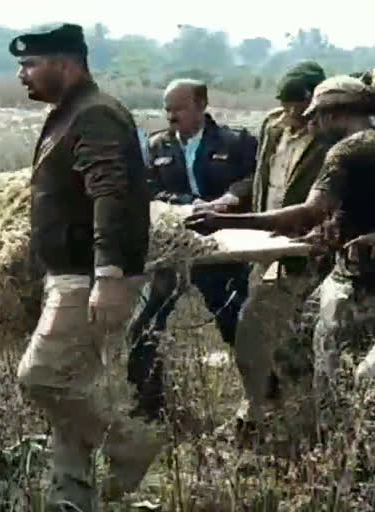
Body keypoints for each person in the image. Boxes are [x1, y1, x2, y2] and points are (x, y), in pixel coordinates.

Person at [9, 23, 161, 510]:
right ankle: (71, 498)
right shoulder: (69, 113)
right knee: (70, 387)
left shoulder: (96, 115)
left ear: (67, 63)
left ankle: (129, 444)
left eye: (31, 64)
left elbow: (111, 194)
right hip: (70, 274)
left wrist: (110, 274)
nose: (23, 75)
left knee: (42, 379)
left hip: (88, 276)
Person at [186, 75, 375, 437]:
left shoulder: (348, 151)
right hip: (347, 272)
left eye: (317, 116)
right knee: (298, 347)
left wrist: (223, 220)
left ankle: (336, 456)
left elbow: (308, 211)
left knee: (331, 375)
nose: (312, 124)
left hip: (360, 283)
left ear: (336, 114)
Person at [207, 61, 332, 437]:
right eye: (287, 104)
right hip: (265, 247)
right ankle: (273, 413)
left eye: (300, 105)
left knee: (264, 329)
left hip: (309, 249)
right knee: (271, 333)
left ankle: (275, 418)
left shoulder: (331, 137)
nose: (293, 113)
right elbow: (263, 179)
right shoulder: (271, 127)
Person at [127, 79, 255, 420]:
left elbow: (254, 178)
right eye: (167, 109)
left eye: (179, 109)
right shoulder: (157, 145)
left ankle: (258, 402)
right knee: (145, 324)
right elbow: (148, 188)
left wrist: (231, 199)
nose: (171, 117)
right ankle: (150, 408)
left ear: (201, 105)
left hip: (221, 247)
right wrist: (187, 203)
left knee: (235, 323)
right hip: (173, 246)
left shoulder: (236, 142)